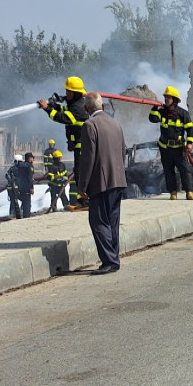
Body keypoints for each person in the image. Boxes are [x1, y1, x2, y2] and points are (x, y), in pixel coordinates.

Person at [77, 93, 127, 274]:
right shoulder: (116, 124)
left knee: (98, 222)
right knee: (112, 222)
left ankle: (110, 261)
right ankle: (114, 258)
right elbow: (123, 153)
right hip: (118, 180)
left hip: (101, 182)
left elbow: (87, 159)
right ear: (103, 106)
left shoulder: (90, 125)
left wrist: (82, 186)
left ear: (86, 109)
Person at [37, 76, 90, 209]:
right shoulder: (75, 104)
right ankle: (82, 201)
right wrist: (55, 106)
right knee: (79, 173)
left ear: (75, 93)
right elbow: (64, 110)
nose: (66, 94)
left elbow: (63, 118)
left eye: (68, 92)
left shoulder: (78, 108)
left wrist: (47, 109)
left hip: (83, 146)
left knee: (81, 173)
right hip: (79, 145)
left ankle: (85, 202)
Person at [148, 86, 193, 200]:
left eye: (168, 98)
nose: (166, 100)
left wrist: (189, 143)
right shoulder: (162, 112)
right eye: (165, 97)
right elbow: (153, 119)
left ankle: (189, 192)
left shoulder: (183, 114)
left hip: (179, 148)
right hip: (165, 148)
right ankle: (173, 193)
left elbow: (190, 129)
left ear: (174, 99)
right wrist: (155, 107)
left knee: (185, 171)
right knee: (168, 171)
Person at [14, 152, 36, 218]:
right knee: (27, 203)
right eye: (32, 158)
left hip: (20, 186)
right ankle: (26, 216)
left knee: (23, 201)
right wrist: (31, 188)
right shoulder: (30, 166)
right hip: (27, 187)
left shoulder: (21, 165)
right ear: (29, 158)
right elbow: (30, 178)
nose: (33, 160)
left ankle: (21, 214)